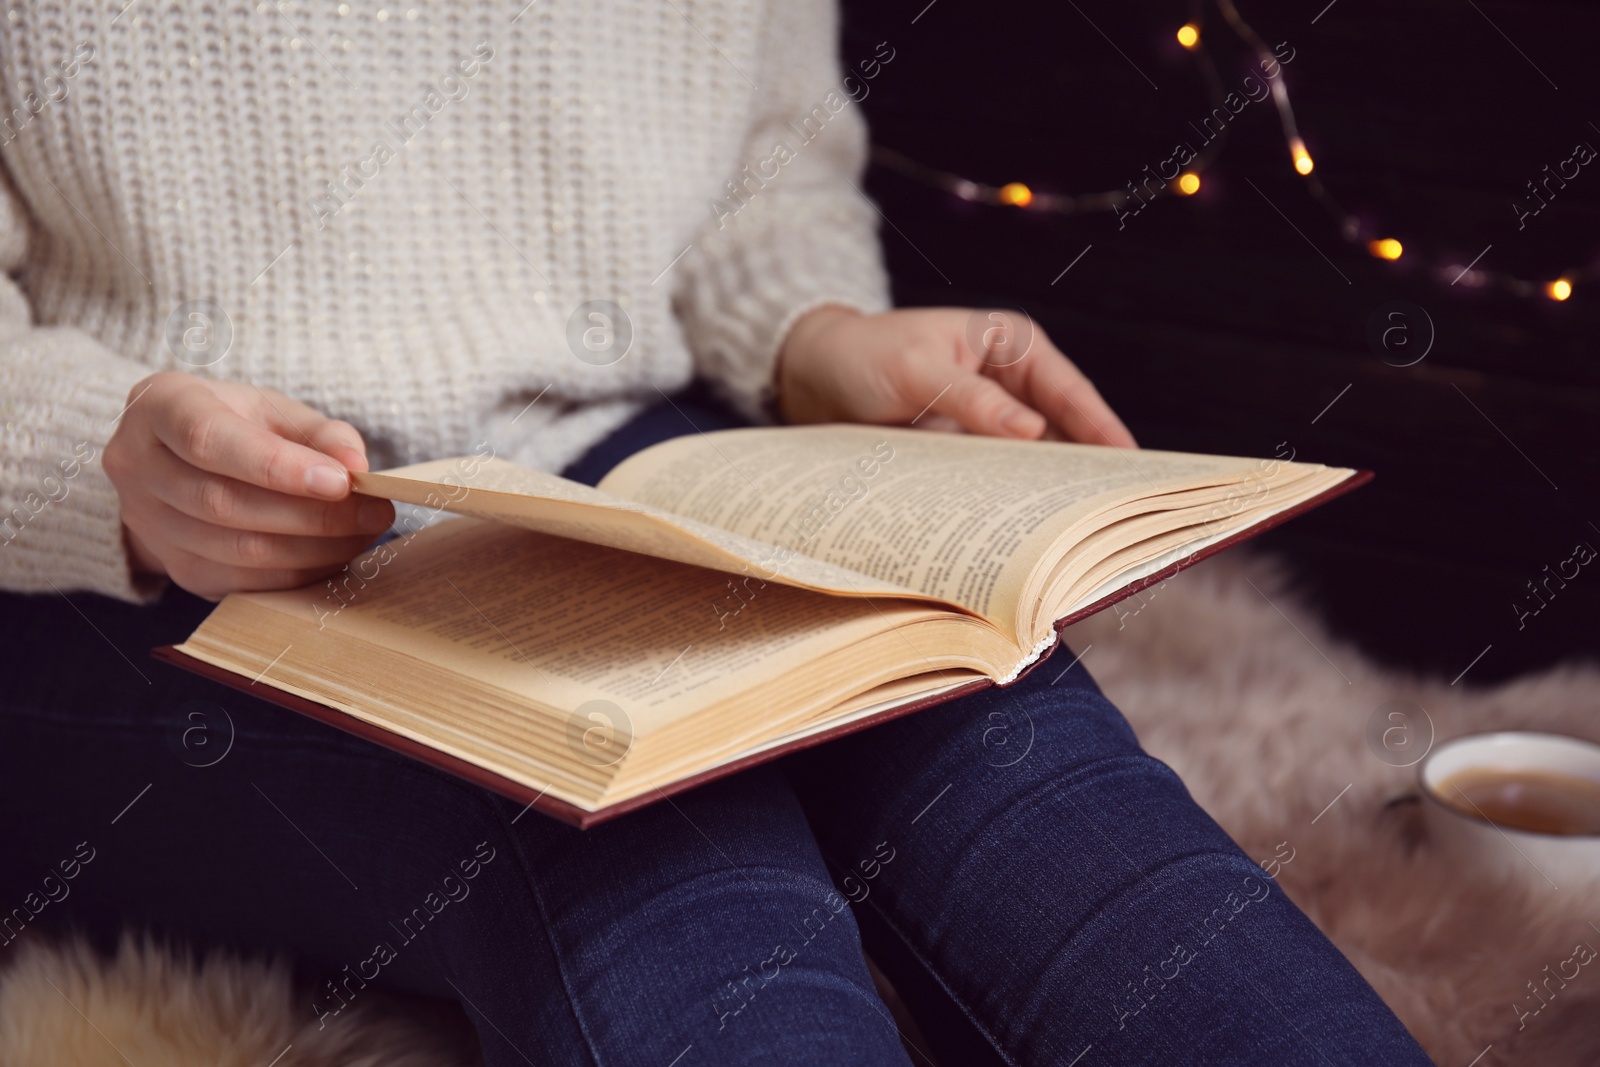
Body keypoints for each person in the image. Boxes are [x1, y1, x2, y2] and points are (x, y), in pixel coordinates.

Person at [0, 1, 1429, 1063]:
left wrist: (813, 331)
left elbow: (766, 165)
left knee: (984, 719)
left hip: (605, 472)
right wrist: (105, 465)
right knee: (628, 822)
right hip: (122, 566)